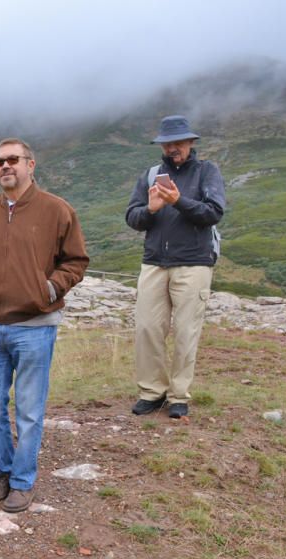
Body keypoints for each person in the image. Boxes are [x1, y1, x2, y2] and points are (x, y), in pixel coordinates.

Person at [0, 138, 88, 513]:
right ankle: (3, 472)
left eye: (12, 160)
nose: (4, 167)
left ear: (31, 165)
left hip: (35, 326)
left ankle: (23, 481)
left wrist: (49, 287)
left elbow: (76, 261)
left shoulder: (57, 210)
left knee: (29, 409)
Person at [125, 115, 225, 419]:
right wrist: (151, 209)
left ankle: (179, 395)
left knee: (185, 331)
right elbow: (132, 217)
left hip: (194, 263)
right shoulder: (151, 174)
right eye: (168, 144)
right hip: (154, 262)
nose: (173, 149)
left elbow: (214, 212)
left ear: (191, 142)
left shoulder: (207, 171)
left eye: (179, 143)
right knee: (147, 328)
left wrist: (179, 201)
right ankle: (152, 392)